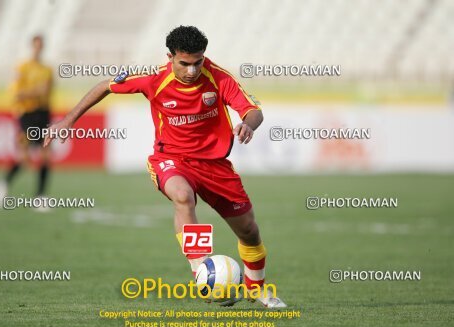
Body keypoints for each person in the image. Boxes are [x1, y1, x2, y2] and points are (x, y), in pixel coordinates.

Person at [44, 26, 286, 307]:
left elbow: (253, 110)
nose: (192, 70)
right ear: (170, 57)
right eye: (184, 63)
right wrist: (69, 120)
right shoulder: (152, 78)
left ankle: (257, 290)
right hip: (172, 159)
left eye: (198, 62)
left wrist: (247, 124)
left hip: (215, 164)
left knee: (249, 231)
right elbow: (104, 86)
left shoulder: (218, 77)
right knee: (182, 196)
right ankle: (201, 272)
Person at [0, 35, 53, 211]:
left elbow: (47, 92)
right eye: (36, 46)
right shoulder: (22, 67)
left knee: (46, 155)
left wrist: (39, 95)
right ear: (31, 47)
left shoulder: (47, 69)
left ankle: (40, 197)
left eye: (40, 46)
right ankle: (4, 183)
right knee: (24, 156)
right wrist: (36, 92)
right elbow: (16, 93)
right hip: (26, 114)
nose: (38, 49)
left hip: (42, 114)